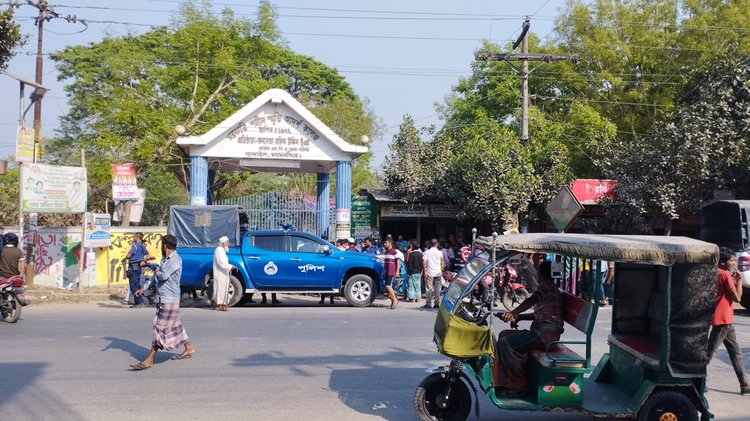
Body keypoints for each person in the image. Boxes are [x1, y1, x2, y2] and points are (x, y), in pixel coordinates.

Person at [494, 261, 564, 396]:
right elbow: (539, 314)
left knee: (505, 343)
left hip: (545, 335)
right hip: (544, 332)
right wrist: (519, 317)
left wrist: (513, 313)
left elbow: (530, 301)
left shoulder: (545, 286)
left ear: (541, 274)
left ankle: (518, 386)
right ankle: (504, 382)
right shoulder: (550, 288)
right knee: (503, 334)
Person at [131, 234, 194, 370]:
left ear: (165, 246)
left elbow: (163, 275)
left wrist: (156, 269)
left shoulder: (176, 260)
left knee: (159, 327)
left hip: (170, 299)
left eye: (161, 245)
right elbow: (156, 277)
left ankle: (149, 359)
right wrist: (144, 288)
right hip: (164, 298)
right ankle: (189, 347)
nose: (161, 248)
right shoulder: (165, 260)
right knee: (175, 325)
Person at [707, 247, 750, 395]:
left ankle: (744, 385)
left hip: (725, 319)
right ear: (723, 262)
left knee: (735, 352)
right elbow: (737, 298)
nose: (733, 262)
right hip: (723, 320)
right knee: (709, 353)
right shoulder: (725, 275)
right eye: (731, 260)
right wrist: (738, 280)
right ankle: (696, 380)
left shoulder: (714, 273)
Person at [123, 232, 152, 308]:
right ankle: (137, 302)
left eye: (134, 237)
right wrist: (143, 260)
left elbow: (129, 255)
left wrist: (125, 258)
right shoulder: (142, 246)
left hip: (133, 267)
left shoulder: (135, 246)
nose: (133, 238)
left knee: (133, 285)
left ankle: (140, 302)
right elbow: (148, 256)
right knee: (137, 285)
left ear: (137, 237)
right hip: (138, 268)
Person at [212, 236, 233, 311]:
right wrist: (231, 267)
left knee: (223, 289)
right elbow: (221, 263)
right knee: (221, 289)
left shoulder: (222, 250)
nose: (228, 244)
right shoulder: (219, 250)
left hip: (223, 273)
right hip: (220, 274)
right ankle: (222, 305)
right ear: (223, 243)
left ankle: (214, 301)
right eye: (227, 242)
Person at [422, 239, 444, 309]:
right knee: (437, 289)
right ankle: (437, 303)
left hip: (430, 272)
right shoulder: (440, 252)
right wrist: (441, 270)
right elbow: (442, 263)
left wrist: (424, 271)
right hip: (438, 272)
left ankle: (428, 303)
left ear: (430, 244)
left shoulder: (426, 252)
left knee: (429, 288)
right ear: (437, 244)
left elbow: (424, 262)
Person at [382, 239, 399, 309]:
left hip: (391, 271)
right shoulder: (386, 252)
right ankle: (392, 302)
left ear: (390, 243)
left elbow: (397, 262)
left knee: (388, 286)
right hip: (387, 271)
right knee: (388, 287)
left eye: (385, 243)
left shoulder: (394, 252)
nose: (384, 244)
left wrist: (397, 271)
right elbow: (385, 263)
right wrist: (383, 271)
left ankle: (395, 300)